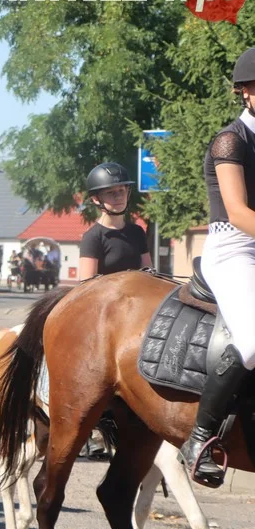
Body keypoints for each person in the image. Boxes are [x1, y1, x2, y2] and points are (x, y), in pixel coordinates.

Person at [179, 48, 255, 487]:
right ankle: (200, 438)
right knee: (250, 343)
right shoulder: (231, 141)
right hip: (235, 247)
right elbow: (240, 211)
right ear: (245, 92)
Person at [77, 162, 151, 459]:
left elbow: (148, 273)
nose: (119, 196)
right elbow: (86, 286)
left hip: (137, 311)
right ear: (97, 199)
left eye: (121, 191)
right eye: (111, 192)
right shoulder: (93, 238)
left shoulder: (136, 232)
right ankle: (94, 423)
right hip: (104, 315)